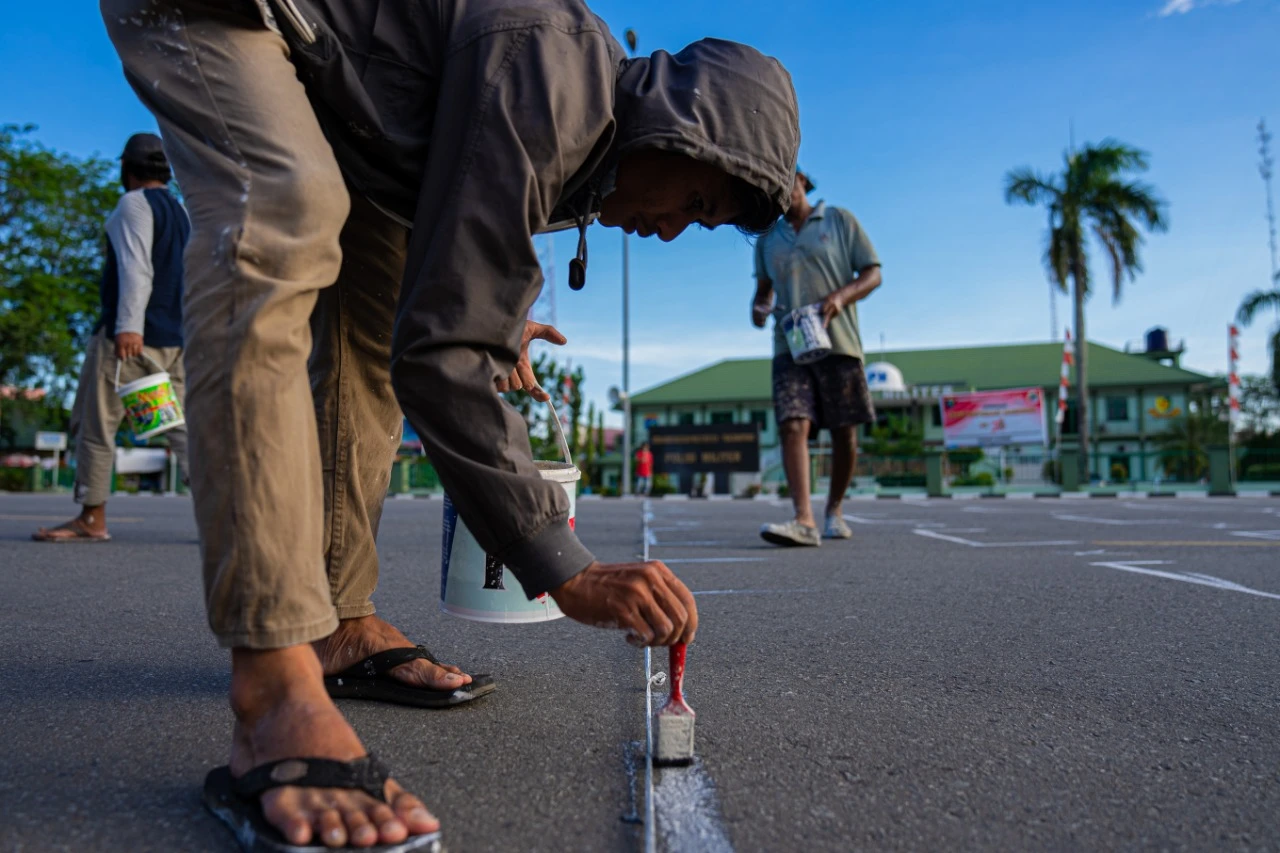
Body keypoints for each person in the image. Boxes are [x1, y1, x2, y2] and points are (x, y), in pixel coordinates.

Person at [101, 2, 799, 850]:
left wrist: (489, 320)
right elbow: (442, 354)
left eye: (703, 222)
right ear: (677, 129)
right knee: (283, 214)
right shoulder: (555, 75)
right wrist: (563, 568)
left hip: (345, 104)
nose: (671, 227)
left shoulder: (582, 139)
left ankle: (335, 620)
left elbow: (446, 296)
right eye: (694, 197)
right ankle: (274, 686)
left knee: (371, 320)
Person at [33, 133, 190, 543]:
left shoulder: (133, 204)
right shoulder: (181, 212)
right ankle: (228, 521)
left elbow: (136, 270)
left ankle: (91, 517)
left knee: (96, 425)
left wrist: (128, 327)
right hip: (174, 342)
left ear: (128, 169)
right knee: (181, 429)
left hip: (129, 342)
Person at [752, 168, 881, 547]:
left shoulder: (839, 220)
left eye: (786, 184)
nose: (781, 194)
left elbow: (873, 273)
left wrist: (840, 298)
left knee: (845, 432)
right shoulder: (767, 239)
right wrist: (760, 309)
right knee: (793, 423)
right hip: (789, 345)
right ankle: (803, 519)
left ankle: (834, 510)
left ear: (803, 184)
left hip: (837, 341)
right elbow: (763, 294)